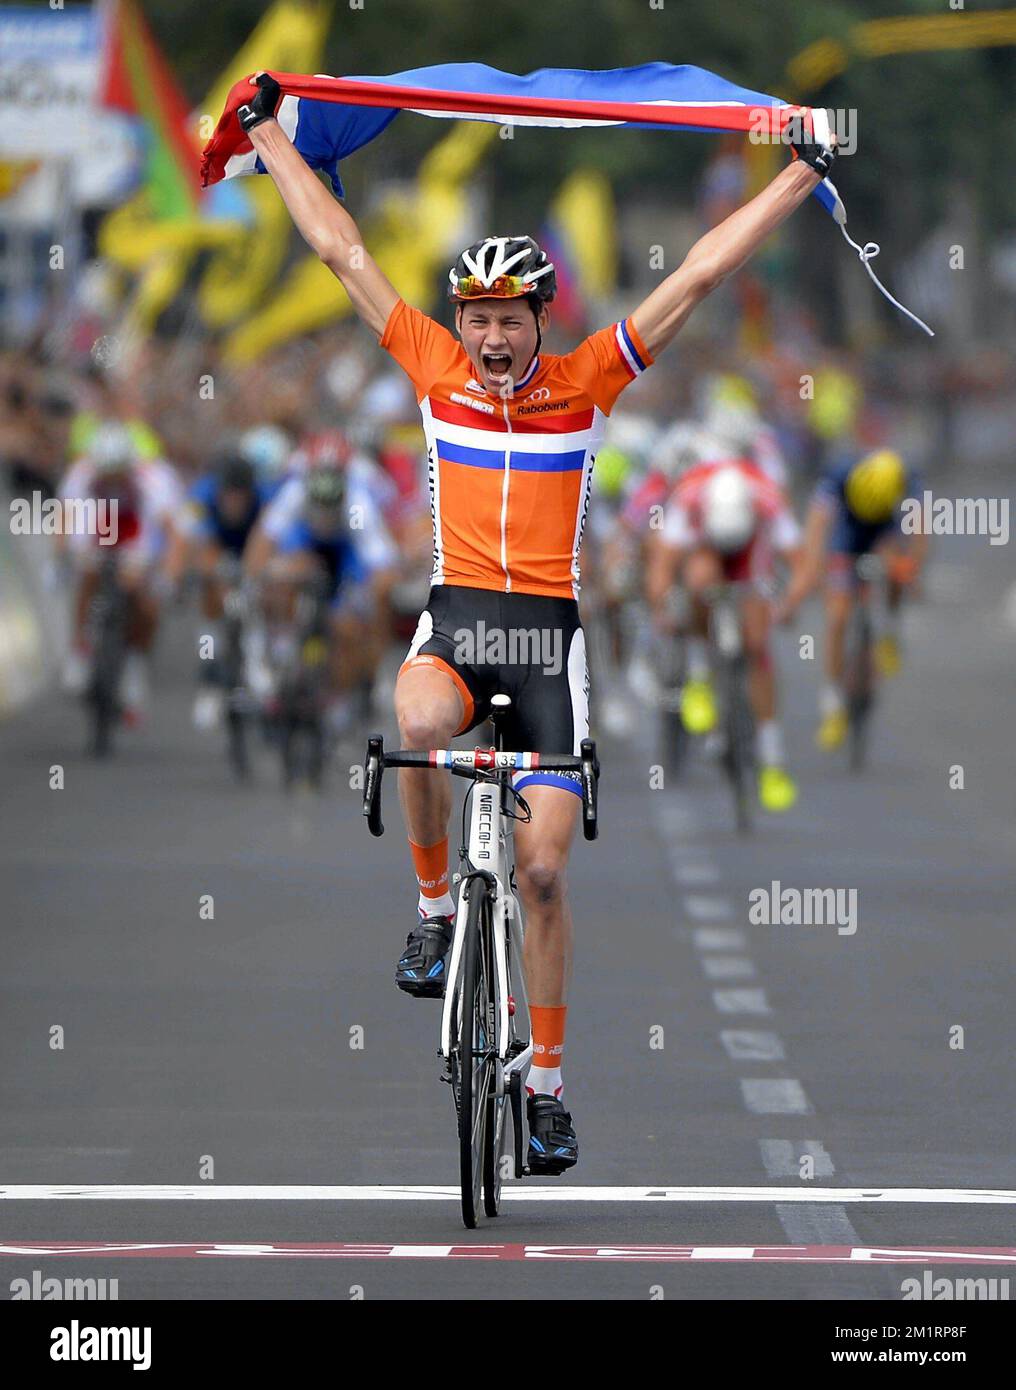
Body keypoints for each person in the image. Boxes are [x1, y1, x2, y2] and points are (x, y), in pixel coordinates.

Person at [238, 71, 837, 1172]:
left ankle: (547, 1087)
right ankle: (430, 909)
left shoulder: (586, 383)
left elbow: (699, 272)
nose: (490, 338)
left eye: (508, 320)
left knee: (545, 873)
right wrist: (271, 137)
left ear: (535, 321)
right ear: (458, 323)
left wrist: (798, 174)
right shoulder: (431, 370)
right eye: (475, 320)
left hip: (546, 645)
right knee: (413, 722)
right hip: (458, 623)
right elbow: (341, 252)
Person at [646, 458, 806, 810]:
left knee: (756, 642)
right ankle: (701, 673)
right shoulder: (690, 498)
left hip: (751, 557)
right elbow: (663, 565)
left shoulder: (768, 500)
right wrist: (663, 609)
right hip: (707, 548)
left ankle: (771, 755)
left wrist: (788, 604)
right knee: (698, 580)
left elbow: (800, 564)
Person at [787, 447, 926, 749]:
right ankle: (833, 702)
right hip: (848, 531)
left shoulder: (907, 477)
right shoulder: (839, 475)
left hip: (886, 528)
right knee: (837, 617)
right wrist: (814, 570)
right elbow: (817, 526)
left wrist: (912, 570)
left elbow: (920, 529)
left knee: (898, 568)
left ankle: (889, 627)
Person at [59, 422, 185, 721]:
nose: (113, 478)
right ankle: (79, 650)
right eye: (107, 473)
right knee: (88, 574)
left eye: (119, 472)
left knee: (146, 600)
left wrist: (167, 576)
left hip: (137, 530)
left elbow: (173, 534)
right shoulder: (82, 473)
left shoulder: (152, 479)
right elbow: (65, 520)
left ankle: (134, 665)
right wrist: (60, 560)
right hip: (98, 527)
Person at [184, 452, 272, 730]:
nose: (233, 503)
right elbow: (194, 542)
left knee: (263, 592)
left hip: (250, 549)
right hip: (216, 548)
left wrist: (256, 573)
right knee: (211, 588)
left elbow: (271, 538)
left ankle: (258, 659)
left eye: (240, 496)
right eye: (228, 496)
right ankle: (210, 681)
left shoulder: (266, 498)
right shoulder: (200, 496)